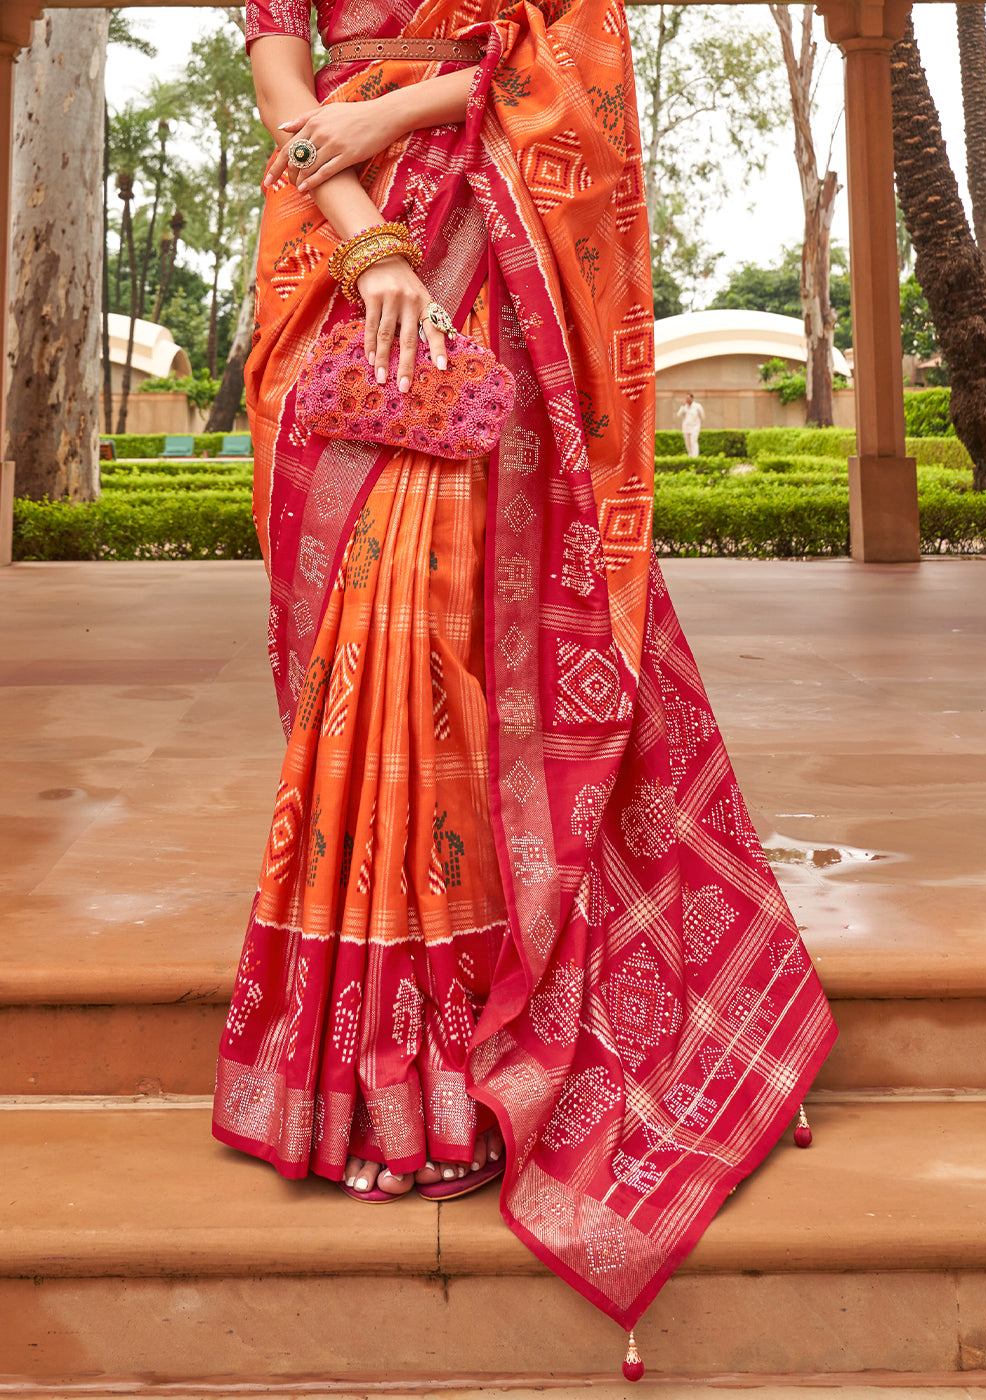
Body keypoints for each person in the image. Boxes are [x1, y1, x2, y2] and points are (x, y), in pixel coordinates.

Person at [212, 0, 836, 1362]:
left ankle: (464, 1051)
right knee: (349, 633)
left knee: (463, 614)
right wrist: (360, 220)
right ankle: (372, 1065)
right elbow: (272, 43)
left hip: (493, 238)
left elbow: (568, 68)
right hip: (325, 230)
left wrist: (387, 118)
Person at [677, 390, 705, 456]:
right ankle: (690, 456)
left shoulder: (697, 406)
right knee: (688, 443)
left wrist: (699, 423)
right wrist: (682, 406)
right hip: (686, 427)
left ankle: (695, 456)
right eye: (686, 398)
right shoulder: (684, 406)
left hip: (695, 427)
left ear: (692, 398)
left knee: (693, 441)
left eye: (688, 398)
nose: (687, 400)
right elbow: (679, 415)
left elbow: (703, 416)